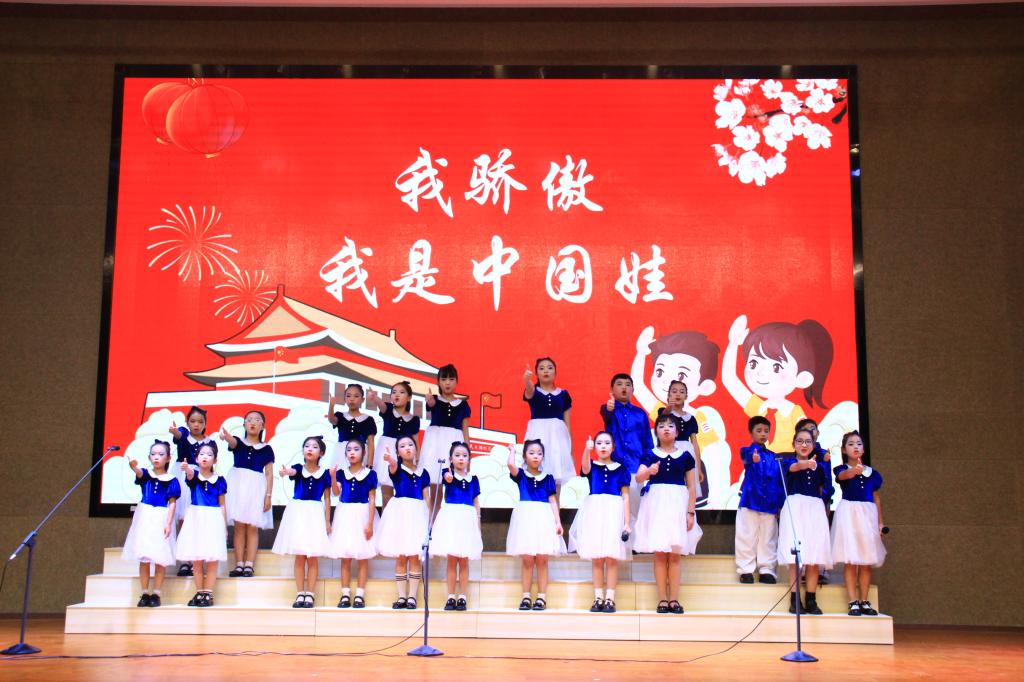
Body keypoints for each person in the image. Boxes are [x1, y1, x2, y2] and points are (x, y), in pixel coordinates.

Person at [722, 315, 833, 452]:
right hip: (766, 461)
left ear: (802, 378)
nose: (761, 373)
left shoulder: (793, 412)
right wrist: (733, 344)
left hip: (789, 461)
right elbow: (730, 380)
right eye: (753, 363)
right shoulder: (760, 408)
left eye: (776, 367)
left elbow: (806, 438)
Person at [634, 415, 702, 614]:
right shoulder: (649, 454)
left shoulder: (686, 456)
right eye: (661, 426)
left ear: (677, 432)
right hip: (656, 504)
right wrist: (649, 471)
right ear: (656, 431)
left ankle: (674, 599)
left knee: (674, 555)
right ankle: (662, 599)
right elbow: (638, 477)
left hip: (678, 505)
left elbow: (692, 487)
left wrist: (690, 512)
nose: (666, 429)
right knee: (659, 554)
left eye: (670, 426)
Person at [567, 432, 631, 613]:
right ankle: (598, 598)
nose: (603, 446)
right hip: (594, 512)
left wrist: (627, 522)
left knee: (612, 558)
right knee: (597, 558)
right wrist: (586, 451)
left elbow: (626, 497)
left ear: (613, 447)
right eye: (599, 443)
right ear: (594, 446)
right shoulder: (592, 466)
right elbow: (585, 468)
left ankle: (610, 598)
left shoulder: (621, 469)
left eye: (607, 443)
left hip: (614, 513)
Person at [271, 436, 332, 609]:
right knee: (300, 556)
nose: (310, 449)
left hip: (315, 514)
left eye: (314, 446)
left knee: (312, 557)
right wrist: (285, 472)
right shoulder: (298, 468)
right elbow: (292, 472)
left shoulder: (325, 473)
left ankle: (310, 594)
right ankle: (300, 593)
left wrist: (327, 521)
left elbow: (328, 499)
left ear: (321, 452)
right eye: (307, 446)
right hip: (298, 513)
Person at [778, 428, 833, 615]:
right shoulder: (788, 462)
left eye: (808, 441)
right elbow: (794, 468)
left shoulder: (821, 466)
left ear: (813, 444)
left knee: (814, 556)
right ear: (793, 444)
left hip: (814, 509)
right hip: (795, 507)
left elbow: (826, 487)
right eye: (800, 441)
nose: (804, 445)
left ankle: (811, 598)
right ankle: (795, 599)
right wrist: (807, 464)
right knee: (795, 556)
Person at [506, 440, 566, 611]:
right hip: (526, 519)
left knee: (542, 560)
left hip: (544, 519)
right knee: (527, 560)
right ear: (525, 456)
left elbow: (553, 501)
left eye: (539, 453)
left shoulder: (548, 478)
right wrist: (512, 451)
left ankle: (541, 597)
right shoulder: (521, 475)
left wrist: (558, 522)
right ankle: (526, 596)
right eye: (531, 452)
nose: (536, 456)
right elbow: (511, 465)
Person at [832, 430, 886, 616]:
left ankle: (864, 600)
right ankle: (853, 601)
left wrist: (880, 523)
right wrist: (853, 471)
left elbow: (876, 498)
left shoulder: (873, 474)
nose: (855, 447)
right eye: (851, 444)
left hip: (867, 515)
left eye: (859, 444)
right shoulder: (840, 469)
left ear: (863, 448)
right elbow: (843, 476)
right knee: (851, 559)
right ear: (844, 449)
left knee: (866, 560)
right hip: (849, 514)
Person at [122, 440, 180, 607]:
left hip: (161, 516)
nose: (156, 457)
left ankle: (156, 593)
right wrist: (133, 467)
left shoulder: (172, 480)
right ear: (149, 457)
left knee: (160, 558)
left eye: (161, 454)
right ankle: (144, 592)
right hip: (145, 516)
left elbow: (172, 503)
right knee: (145, 557)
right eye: (153, 454)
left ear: (168, 458)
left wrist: (168, 523)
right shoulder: (146, 475)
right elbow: (139, 473)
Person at [376, 436, 431, 610]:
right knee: (401, 555)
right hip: (400, 514)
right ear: (398, 452)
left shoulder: (424, 473)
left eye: (410, 445)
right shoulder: (396, 468)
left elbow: (427, 497)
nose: (407, 448)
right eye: (402, 446)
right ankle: (401, 597)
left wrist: (430, 520)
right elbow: (392, 466)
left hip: (418, 515)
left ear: (416, 449)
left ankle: (412, 597)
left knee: (415, 556)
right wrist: (391, 460)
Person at [220, 411, 275, 577]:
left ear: (263, 426)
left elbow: (269, 473)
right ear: (244, 424)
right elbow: (232, 442)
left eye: (257, 420)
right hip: (237, 486)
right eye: (249, 419)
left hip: (256, 488)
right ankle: (239, 564)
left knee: (252, 527)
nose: (253, 422)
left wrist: (268, 496)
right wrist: (226, 437)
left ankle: (249, 564)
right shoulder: (238, 442)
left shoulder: (267, 449)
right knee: (239, 527)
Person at [431, 442, 483, 611]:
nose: (461, 459)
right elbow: (447, 477)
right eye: (457, 455)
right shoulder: (448, 474)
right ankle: (450, 597)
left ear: (469, 459)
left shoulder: (474, 479)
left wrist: (478, 522)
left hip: (467, 520)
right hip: (452, 520)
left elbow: (476, 502)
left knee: (464, 561)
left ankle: (462, 597)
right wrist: (448, 475)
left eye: (464, 456)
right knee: (452, 561)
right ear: (451, 459)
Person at [328, 438, 380, 609]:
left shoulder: (370, 474)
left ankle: (359, 595)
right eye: (349, 450)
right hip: (345, 514)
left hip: (363, 514)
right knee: (346, 557)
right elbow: (336, 493)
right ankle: (345, 594)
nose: (352, 452)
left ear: (363, 452)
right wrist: (333, 476)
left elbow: (372, 499)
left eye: (356, 449)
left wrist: (370, 523)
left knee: (363, 557)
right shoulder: (342, 473)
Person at [734, 416, 785, 584]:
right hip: (750, 500)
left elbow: (779, 481)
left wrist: (779, 504)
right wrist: (753, 459)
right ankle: (746, 570)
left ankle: (767, 570)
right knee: (746, 536)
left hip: (770, 503)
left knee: (768, 538)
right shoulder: (746, 451)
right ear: (751, 433)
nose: (763, 434)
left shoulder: (775, 457)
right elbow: (747, 459)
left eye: (766, 431)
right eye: (759, 431)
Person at [176, 442, 227, 607]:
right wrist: (186, 468)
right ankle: (199, 592)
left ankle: (208, 593)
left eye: (209, 454)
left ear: (215, 460)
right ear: (197, 458)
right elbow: (190, 474)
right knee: (197, 559)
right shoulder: (194, 477)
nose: (205, 457)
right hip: (196, 518)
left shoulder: (220, 480)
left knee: (212, 560)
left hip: (213, 519)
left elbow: (222, 505)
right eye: (202, 454)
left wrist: (224, 525)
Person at [599, 373, 654, 520]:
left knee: (635, 512)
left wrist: (645, 465)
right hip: (613, 468)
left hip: (635, 468)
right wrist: (609, 408)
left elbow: (648, 444)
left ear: (633, 390)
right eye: (619, 384)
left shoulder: (640, 414)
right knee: (613, 512)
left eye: (628, 385)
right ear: (612, 390)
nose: (624, 387)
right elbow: (605, 413)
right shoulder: (609, 410)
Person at [168, 405, 211, 577]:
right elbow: (178, 435)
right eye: (192, 421)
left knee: (197, 520)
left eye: (200, 421)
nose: (196, 424)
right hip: (182, 476)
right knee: (183, 519)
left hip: (200, 478)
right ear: (187, 422)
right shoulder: (184, 435)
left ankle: (196, 559)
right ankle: (184, 561)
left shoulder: (209, 442)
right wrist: (174, 431)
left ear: (205, 423)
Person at [421, 364, 471, 508]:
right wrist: (429, 400)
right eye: (443, 379)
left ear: (456, 381)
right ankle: (432, 519)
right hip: (435, 444)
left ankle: (447, 518)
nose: (447, 383)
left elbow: (465, 431)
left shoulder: (463, 405)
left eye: (451, 379)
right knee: (434, 487)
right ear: (438, 382)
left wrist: (468, 454)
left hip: (454, 445)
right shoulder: (435, 400)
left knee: (452, 485)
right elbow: (431, 404)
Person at [523, 357, 574, 490]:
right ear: (536, 373)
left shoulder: (563, 394)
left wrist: (571, 450)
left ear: (555, 372)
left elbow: (567, 423)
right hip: (538, 436)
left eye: (550, 368)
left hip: (558, 438)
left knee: (556, 475)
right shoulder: (534, 391)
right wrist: (527, 380)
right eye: (542, 368)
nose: (546, 371)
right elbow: (529, 390)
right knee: (536, 471)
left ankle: (556, 503)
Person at [368, 381, 419, 508]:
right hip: (387, 452)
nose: (397, 395)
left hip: (404, 455)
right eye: (394, 392)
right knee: (386, 494)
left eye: (401, 392)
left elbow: (415, 441)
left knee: (404, 493)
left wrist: (417, 459)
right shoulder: (388, 409)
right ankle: (386, 518)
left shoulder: (414, 419)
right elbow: (381, 404)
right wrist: (374, 397)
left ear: (409, 397)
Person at [328, 384, 378, 471]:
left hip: (360, 454)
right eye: (348, 396)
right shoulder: (340, 415)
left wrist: (370, 463)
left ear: (362, 399)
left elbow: (371, 443)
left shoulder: (368, 419)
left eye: (356, 396)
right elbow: (332, 420)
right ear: (344, 399)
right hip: (342, 454)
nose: (352, 399)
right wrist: (331, 406)